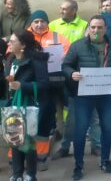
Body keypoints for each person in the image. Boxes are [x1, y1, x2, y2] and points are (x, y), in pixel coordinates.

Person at [62, 15, 111, 180]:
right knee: (81, 130)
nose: (96, 30)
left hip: (106, 94)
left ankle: (105, 161)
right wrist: (71, 74)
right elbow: (65, 65)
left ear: (105, 29)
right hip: (84, 94)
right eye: (93, 27)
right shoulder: (78, 46)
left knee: (107, 128)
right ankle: (78, 165)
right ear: (88, 28)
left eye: (100, 27)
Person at [27, 10, 71, 167]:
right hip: (29, 86)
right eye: (36, 21)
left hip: (53, 83)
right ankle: (22, 156)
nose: (40, 24)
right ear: (31, 23)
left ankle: (41, 155)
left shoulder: (57, 37)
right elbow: (12, 53)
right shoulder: (23, 37)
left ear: (48, 23)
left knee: (46, 118)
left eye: (43, 21)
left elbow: (69, 53)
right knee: (27, 120)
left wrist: (64, 57)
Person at [51, 0, 93, 161]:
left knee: (78, 113)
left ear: (74, 10)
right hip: (56, 71)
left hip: (79, 75)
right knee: (66, 113)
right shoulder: (54, 24)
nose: (61, 11)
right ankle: (64, 145)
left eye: (65, 9)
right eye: (60, 8)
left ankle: (94, 145)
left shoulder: (84, 25)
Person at [5, 31, 48, 181]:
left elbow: (43, 84)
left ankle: (30, 174)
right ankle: (17, 173)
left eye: (12, 41)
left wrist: (22, 86)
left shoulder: (37, 60)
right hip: (13, 105)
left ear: (23, 45)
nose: (8, 44)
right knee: (15, 139)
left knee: (28, 141)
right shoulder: (10, 60)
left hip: (30, 106)